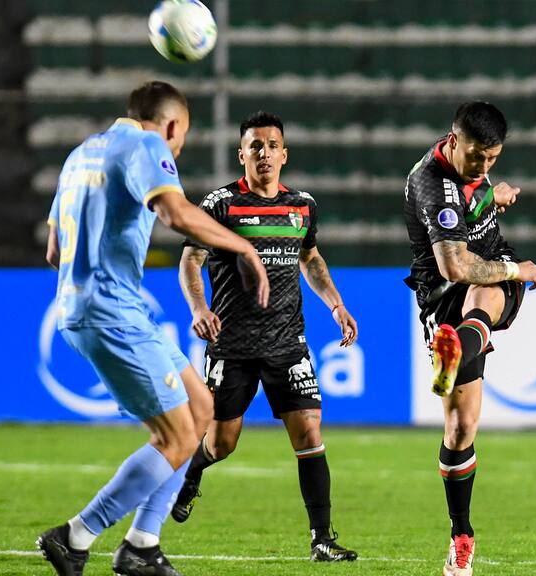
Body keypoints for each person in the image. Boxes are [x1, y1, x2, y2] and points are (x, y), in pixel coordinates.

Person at [36, 81, 269, 576]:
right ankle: (76, 537)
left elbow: (54, 251)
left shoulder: (81, 154)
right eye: (180, 137)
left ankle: (142, 544)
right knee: (176, 436)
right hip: (112, 313)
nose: (177, 149)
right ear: (170, 126)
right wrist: (244, 248)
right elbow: (173, 210)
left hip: (94, 308)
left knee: (201, 407)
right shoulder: (145, 145)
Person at [172, 111, 359, 562]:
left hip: (286, 343)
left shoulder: (302, 206)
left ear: (284, 154)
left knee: (309, 431)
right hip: (232, 343)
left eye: (272, 145)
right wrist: (199, 308)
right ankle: (193, 473)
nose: (264, 153)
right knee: (222, 443)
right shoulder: (220, 205)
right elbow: (190, 261)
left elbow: (310, 259)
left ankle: (321, 538)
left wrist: (335, 303)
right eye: (255, 146)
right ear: (242, 154)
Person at [403, 101, 536, 576]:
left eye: (494, 158)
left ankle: (455, 348)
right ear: (453, 140)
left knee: (485, 294)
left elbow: (475, 203)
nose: (485, 166)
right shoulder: (432, 185)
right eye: (477, 158)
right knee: (461, 430)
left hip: (482, 288)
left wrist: (494, 195)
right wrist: (519, 269)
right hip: (446, 293)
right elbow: (454, 266)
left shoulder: (475, 169)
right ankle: (461, 533)